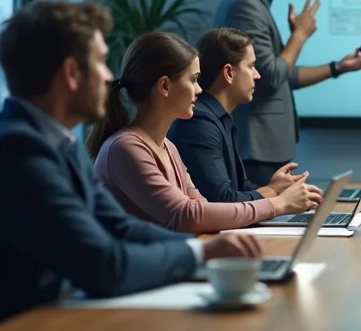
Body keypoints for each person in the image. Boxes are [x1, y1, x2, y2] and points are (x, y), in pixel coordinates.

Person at [0, 0, 260, 331]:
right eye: (99, 61)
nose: (110, 76)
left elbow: (119, 226)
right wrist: (201, 252)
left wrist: (211, 247)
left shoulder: (53, 142)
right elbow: (105, 266)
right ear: (71, 73)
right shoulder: (14, 152)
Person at [88, 31, 323, 234]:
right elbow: (187, 215)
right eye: (193, 80)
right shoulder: (126, 148)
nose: (200, 90)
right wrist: (278, 204)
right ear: (165, 86)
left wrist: (276, 200)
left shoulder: (167, 147)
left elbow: (202, 208)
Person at [213, 0, 361, 186]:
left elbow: (284, 74)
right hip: (257, 150)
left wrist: (340, 67)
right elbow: (270, 78)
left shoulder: (254, 2)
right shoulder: (244, 5)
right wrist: (299, 35)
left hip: (266, 150)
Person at [169, 27, 308, 202]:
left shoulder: (217, 118)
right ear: (228, 73)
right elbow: (222, 199)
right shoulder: (199, 122)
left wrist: (279, 190)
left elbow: (240, 188)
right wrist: (273, 192)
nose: (257, 75)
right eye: (251, 66)